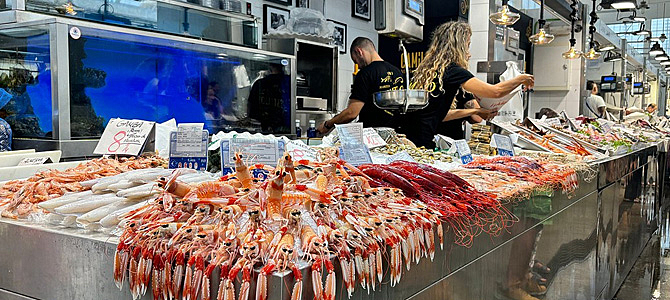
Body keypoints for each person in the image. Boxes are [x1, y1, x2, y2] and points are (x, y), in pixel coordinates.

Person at [403, 21, 534, 148]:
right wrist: (520, 78)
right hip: (423, 142)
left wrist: (476, 110)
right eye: (467, 45)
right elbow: (495, 92)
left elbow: (441, 115)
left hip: (410, 139)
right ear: (458, 46)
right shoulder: (453, 71)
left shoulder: (430, 71)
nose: (469, 54)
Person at [317, 37, 404, 134]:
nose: (358, 65)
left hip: (373, 136)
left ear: (359, 52)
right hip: (394, 134)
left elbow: (351, 113)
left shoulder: (365, 73)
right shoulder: (397, 72)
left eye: (355, 61)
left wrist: (328, 124)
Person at [248, 63, 291, 133]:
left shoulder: (259, 83)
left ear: (270, 67)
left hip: (264, 128)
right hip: (284, 128)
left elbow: (251, 108)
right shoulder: (289, 83)